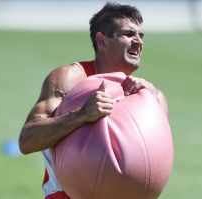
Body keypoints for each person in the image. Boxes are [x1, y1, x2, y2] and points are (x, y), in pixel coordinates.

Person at [19, 2, 168, 199]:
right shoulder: (70, 78)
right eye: (129, 34)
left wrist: (150, 101)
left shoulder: (150, 95)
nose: (138, 41)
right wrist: (81, 115)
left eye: (141, 36)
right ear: (102, 41)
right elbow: (27, 140)